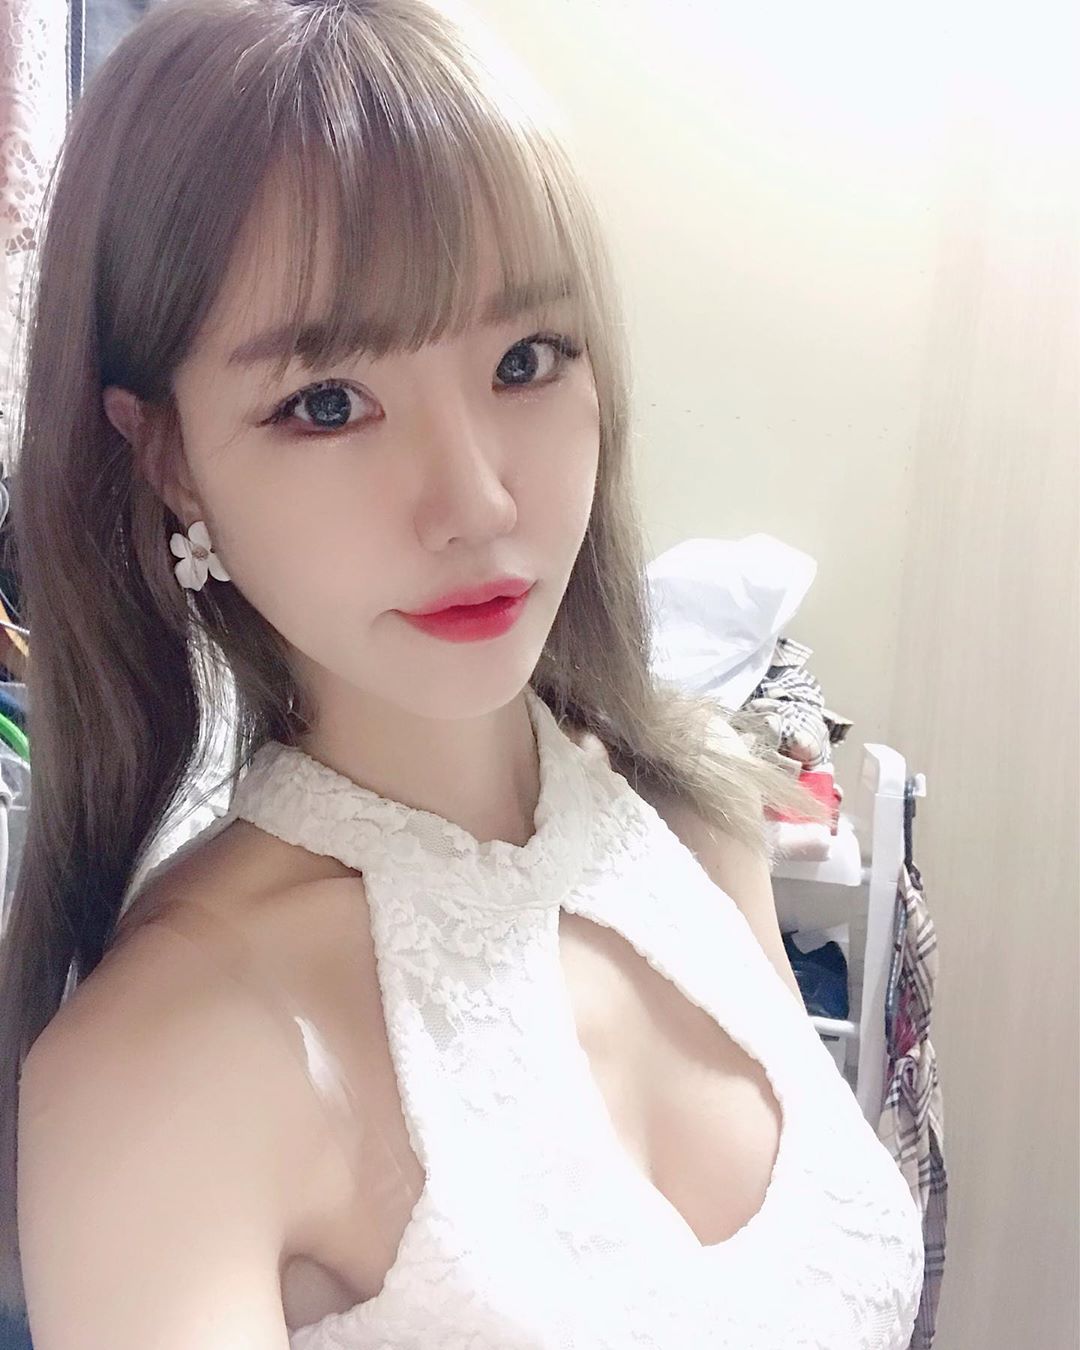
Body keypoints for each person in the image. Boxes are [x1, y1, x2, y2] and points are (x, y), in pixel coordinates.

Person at [0, 0, 924, 1345]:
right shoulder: (167, 1067)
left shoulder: (693, 817)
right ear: (170, 458)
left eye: (522, 360)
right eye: (327, 402)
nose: (480, 501)